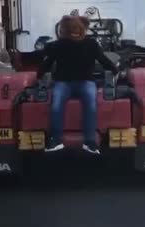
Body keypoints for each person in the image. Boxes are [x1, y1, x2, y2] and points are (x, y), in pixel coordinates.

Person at [36, 15, 119, 154]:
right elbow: (48, 62)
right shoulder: (60, 45)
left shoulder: (86, 44)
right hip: (71, 83)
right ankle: (58, 140)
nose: (75, 32)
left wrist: (38, 75)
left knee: (81, 106)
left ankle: (88, 141)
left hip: (75, 83)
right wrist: (115, 70)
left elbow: (46, 63)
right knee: (63, 106)